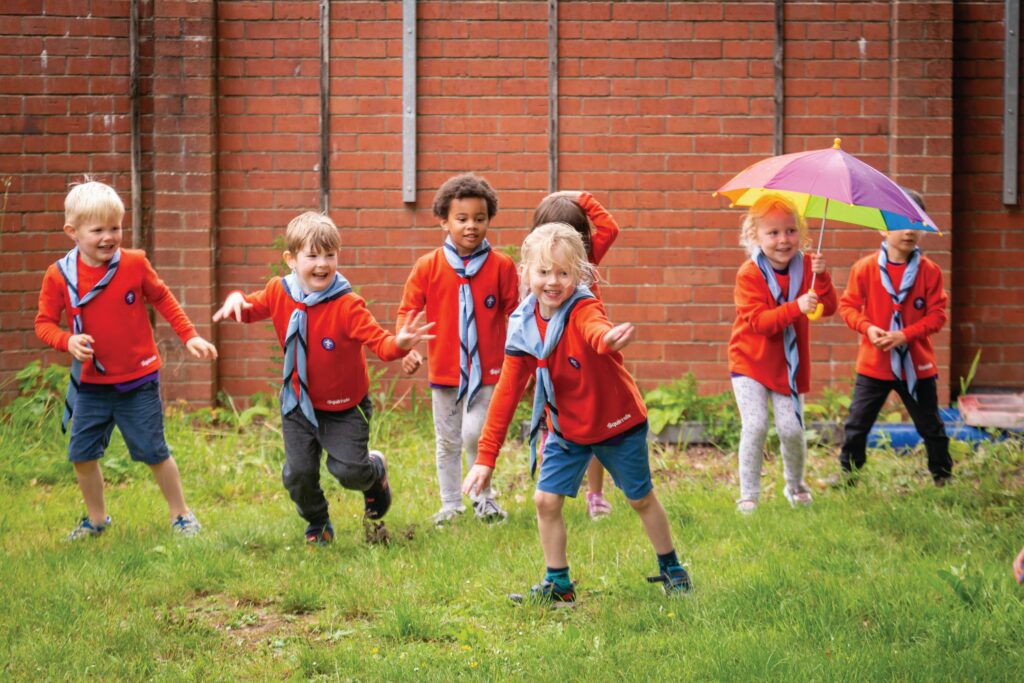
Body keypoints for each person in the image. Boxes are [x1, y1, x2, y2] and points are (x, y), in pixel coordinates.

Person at [463, 223, 692, 605]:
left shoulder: (584, 306)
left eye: (563, 273)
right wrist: (486, 458)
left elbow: (594, 330)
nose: (553, 281)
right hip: (566, 427)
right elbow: (506, 393)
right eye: (543, 272)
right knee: (545, 501)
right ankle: (559, 585)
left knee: (640, 499)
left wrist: (607, 340)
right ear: (527, 273)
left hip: (616, 422)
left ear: (579, 275)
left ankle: (672, 567)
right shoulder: (522, 326)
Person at [213, 211, 434, 545]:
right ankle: (318, 522)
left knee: (349, 472)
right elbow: (248, 308)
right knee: (298, 475)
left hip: (345, 407)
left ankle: (375, 474)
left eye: (329, 255)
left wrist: (401, 344)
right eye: (312, 255)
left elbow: (382, 344)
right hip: (298, 404)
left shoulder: (348, 305)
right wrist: (235, 299)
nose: (322, 264)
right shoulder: (278, 292)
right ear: (290, 259)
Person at [35, 179, 218, 540]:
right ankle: (97, 519)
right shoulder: (59, 276)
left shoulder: (134, 264)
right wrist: (66, 340)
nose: (109, 237)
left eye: (115, 228)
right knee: (82, 455)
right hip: (89, 386)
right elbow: (43, 324)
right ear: (72, 232)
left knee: (154, 452)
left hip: (138, 381)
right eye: (97, 230)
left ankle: (181, 514)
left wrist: (190, 335)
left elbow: (163, 298)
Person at [397, 173, 519, 525]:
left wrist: (522, 363)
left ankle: (485, 498)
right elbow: (408, 311)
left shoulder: (501, 266)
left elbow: (516, 315)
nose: (471, 227)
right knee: (447, 440)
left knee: (475, 433)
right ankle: (451, 504)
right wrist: (407, 347)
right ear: (443, 221)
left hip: (489, 371)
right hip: (445, 372)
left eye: (479, 219)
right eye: (462, 219)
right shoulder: (428, 266)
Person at [728, 193, 837, 514]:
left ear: (800, 233)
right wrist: (796, 307)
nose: (783, 240)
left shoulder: (807, 268)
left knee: (791, 428)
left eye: (790, 231)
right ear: (755, 236)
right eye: (772, 233)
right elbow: (760, 323)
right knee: (757, 425)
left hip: (788, 364)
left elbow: (828, 308)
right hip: (749, 361)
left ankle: (796, 486)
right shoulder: (749, 274)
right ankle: (748, 495)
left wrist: (824, 278)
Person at [836, 188, 952, 487]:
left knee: (931, 426)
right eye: (900, 221)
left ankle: (942, 477)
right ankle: (849, 477)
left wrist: (905, 335)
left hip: (916, 365)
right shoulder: (864, 269)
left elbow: (938, 316)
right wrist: (867, 327)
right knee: (856, 426)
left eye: (916, 221)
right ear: (881, 227)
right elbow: (847, 306)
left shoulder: (930, 272)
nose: (909, 230)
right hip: (874, 364)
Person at [532, 190, 620, 520]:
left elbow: (610, 227)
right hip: (554, 363)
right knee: (550, 426)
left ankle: (595, 495)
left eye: (572, 235)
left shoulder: (587, 263)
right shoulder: (536, 273)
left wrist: (578, 196)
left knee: (595, 428)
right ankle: (549, 492)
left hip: (590, 356)